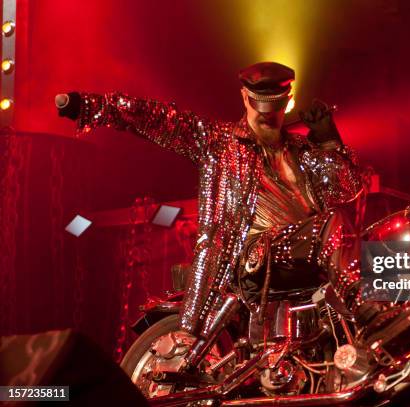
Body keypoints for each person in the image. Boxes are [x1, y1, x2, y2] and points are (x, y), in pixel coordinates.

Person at [55, 62, 365, 340]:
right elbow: (160, 119)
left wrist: (328, 140)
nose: (268, 115)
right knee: (332, 225)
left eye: (275, 106)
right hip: (253, 257)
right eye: (260, 106)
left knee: (381, 236)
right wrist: (94, 106)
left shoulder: (302, 150)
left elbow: (347, 189)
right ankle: (363, 305)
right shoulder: (220, 143)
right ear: (245, 97)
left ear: (287, 100)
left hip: (302, 258)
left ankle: (386, 320)